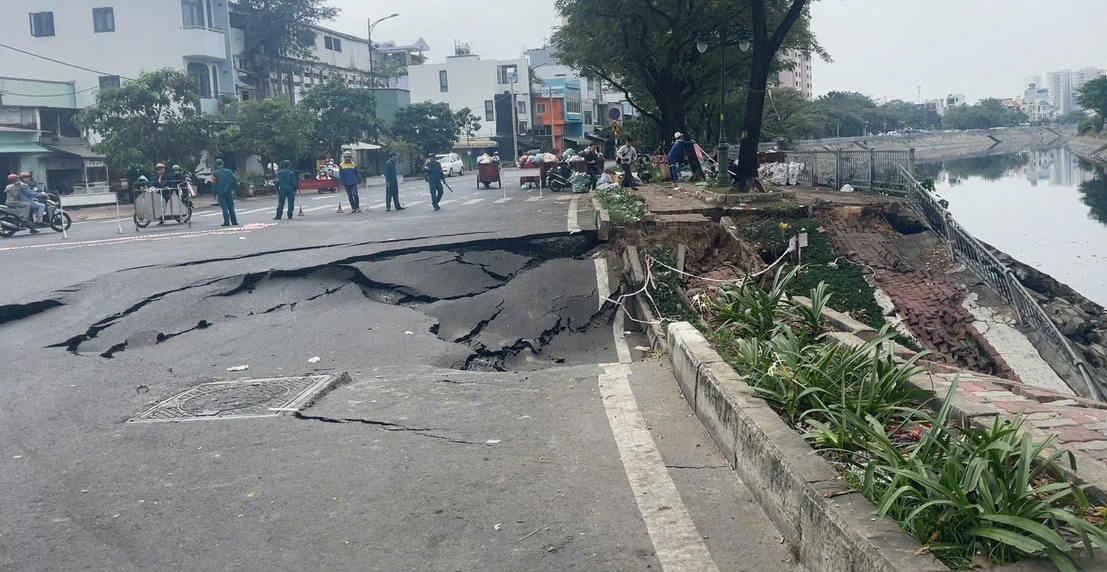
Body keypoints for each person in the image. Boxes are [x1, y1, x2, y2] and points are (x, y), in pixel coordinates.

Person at [211, 159, 238, 226]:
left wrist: (214, 194)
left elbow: (214, 184)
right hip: (228, 192)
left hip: (220, 193)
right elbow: (235, 179)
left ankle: (226, 222)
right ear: (223, 163)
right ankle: (234, 221)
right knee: (231, 207)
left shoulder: (214, 173)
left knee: (224, 208)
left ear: (216, 165)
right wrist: (232, 188)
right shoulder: (228, 171)